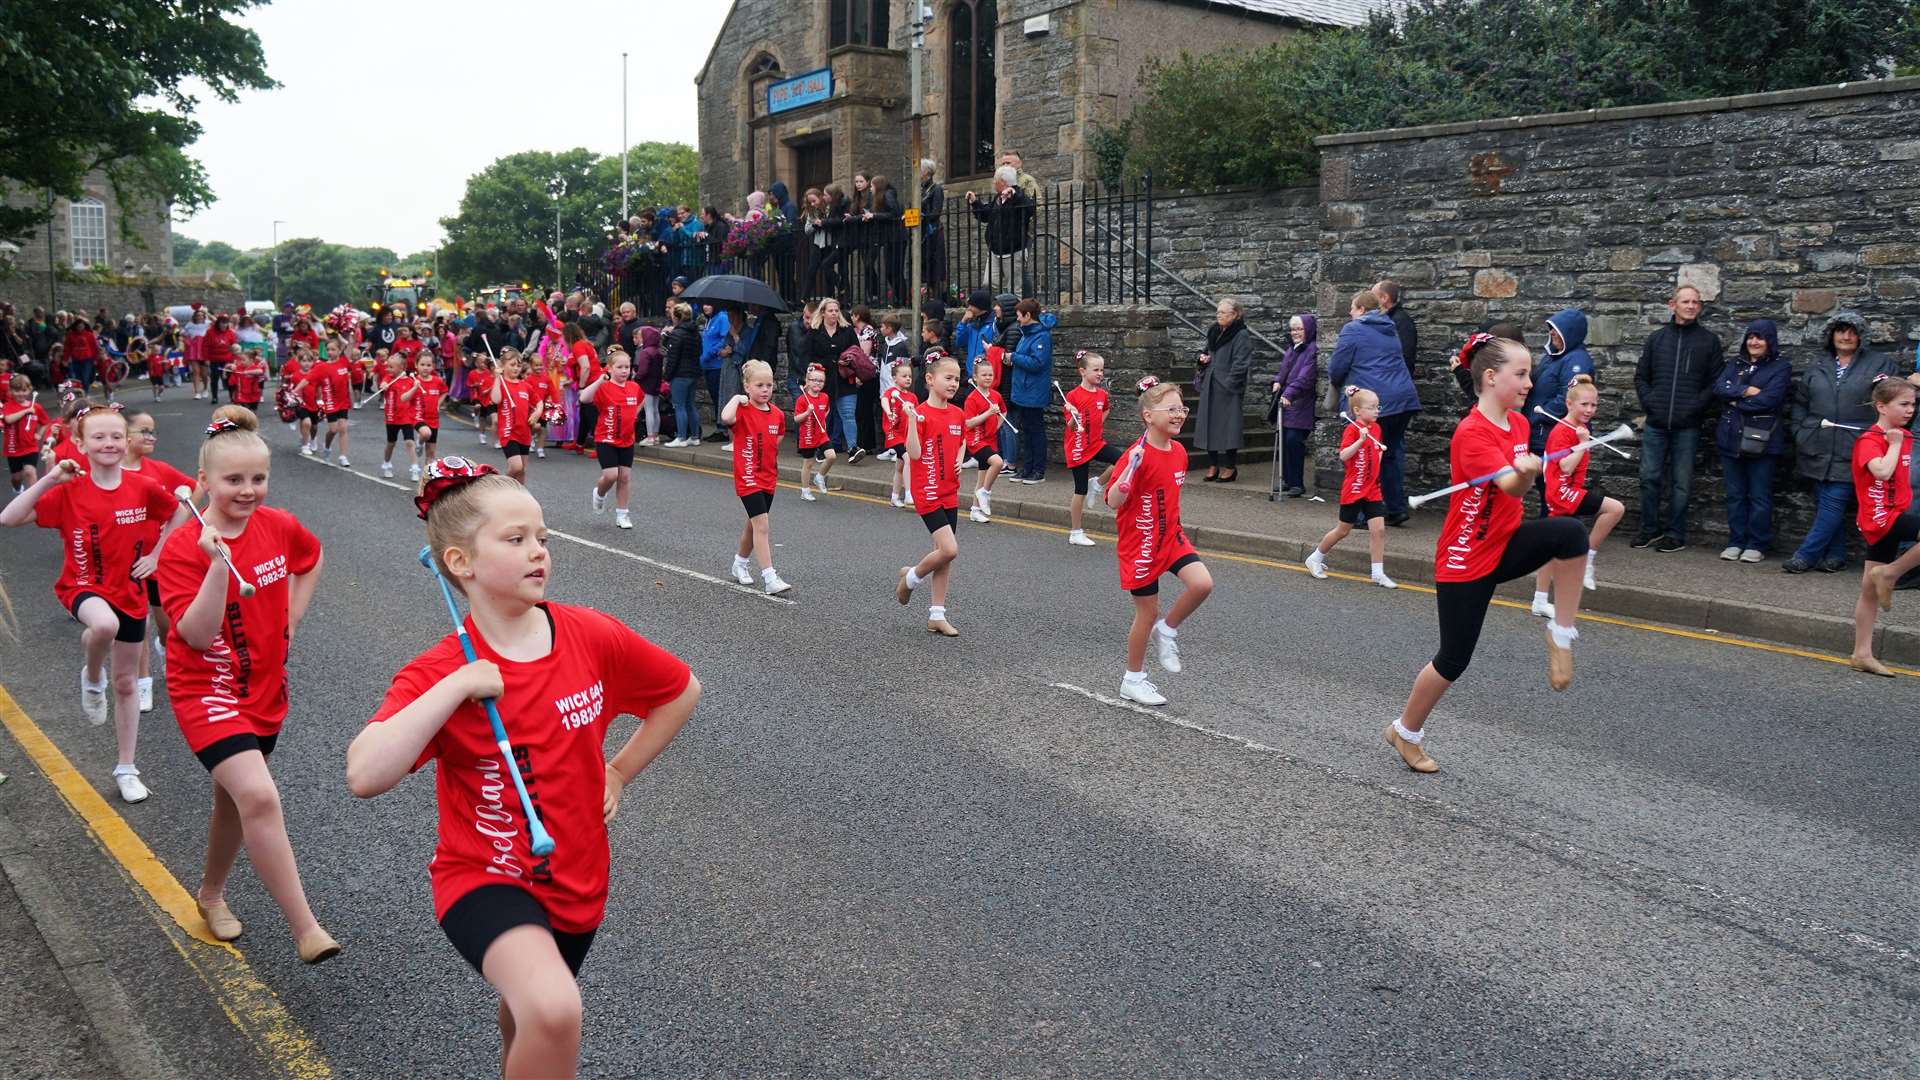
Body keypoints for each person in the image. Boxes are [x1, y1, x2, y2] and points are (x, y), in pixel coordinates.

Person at [347, 461, 700, 1080]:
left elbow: (679, 691)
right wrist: (455, 687)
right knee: (554, 1009)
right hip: (484, 879)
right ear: (461, 562)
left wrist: (617, 772)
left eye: (542, 537)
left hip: (579, 882)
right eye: (515, 540)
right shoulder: (440, 673)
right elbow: (365, 773)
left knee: (527, 1023)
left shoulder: (591, 635)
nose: (538, 552)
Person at [155, 413, 338, 962]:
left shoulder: (279, 525)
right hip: (205, 691)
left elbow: (311, 559)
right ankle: (306, 929)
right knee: (257, 794)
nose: (248, 491)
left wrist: (290, 620)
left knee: (234, 803)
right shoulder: (183, 548)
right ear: (205, 481)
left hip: (263, 689)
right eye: (234, 480)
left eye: (257, 479)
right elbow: (193, 633)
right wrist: (216, 566)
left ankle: (211, 895)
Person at [1386, 335, 1589, 774]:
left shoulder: (1517, 424)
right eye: (1520, 374)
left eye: (1529, 374)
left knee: (1571, 535)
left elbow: (1518, 489)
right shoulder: (1471, 433)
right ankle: (1405, 732)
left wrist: (1539, 464)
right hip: (1467, 558)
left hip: (1506, 540)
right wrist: (1526, 474)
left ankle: (1562, 632)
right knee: (1453, 659)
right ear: (1491, 377)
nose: (1529, 383)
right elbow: (1510, 487)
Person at [0, 401, 181, 801]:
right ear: (80, 444)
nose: (109, 443)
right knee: (103, 626)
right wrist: (49, 480)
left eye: (117, 436)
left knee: (128, 683)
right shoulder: (69, 489)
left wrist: (157, 555)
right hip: (82, 586)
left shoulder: (143, 487)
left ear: (127, 440)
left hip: (131, 592)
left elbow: (178, 512)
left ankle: (127, 767)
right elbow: (9, 518)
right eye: (98, 436)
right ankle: (92, 677)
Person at [1104, 376, 1214, 707]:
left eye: (1182, 407)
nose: (1180, 414)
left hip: (1171, 537)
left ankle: (1168, 630)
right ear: (1149, 415)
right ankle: (1132, 680)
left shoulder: (1179, 451)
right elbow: (1112, 501)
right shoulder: (1136, 455)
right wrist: (1124, 482)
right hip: (1140, 543)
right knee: (1146, 613)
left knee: (1202, 584)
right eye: (1172, 409)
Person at [1784, 310, 1895, 574]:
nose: (1846, 336)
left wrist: (1875, 437)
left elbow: (1889, 401)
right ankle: (1836, 555)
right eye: (1841, 330)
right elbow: (1801, 403)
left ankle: (1806, 555)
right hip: (1817, 444)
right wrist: (1801, 431)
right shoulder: (1818, 366)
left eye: (1853, 331)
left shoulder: (1879, 364)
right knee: (1825, 503)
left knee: (1833, 500)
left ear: (1861, 336)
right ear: (1831, 334)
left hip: (1855, 445)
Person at [1631, 284, 1723, 553]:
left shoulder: (1709, 341)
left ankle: (1675, 533)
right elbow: (1641, 377)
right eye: (1686, 301)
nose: (1691, 306)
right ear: (1673, 305)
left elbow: (1715, 383)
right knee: (1649, 477)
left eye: (1696, 302)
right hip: (1656, 424)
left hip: (1688, 426)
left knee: (1681, 483)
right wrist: (1651, 403)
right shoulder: (1657, 339)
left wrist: (1694, 407)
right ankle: (1650, 529)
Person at [1527, 375, 1625, 615]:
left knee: (1552, 549)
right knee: (1615, 508)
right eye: (1584, 404)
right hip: (1562, 493)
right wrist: (1582, 444)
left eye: (1594, 405)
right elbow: (1566, 467)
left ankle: (1539, 601)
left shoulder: (1579, 429)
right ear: (1569, 404)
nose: (1590, 409)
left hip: (1567, 491)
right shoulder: (1562, 431)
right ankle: (1587, 560)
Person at [120, 407, 193, 714]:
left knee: (165, 624)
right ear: (125, 436)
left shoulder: (158, 470)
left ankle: (165, 649)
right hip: (123, 563)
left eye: (153, 431)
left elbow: (190, 495)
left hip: (157, 562)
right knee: (138, 624)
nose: (151, 436)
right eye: (144, 431)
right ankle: (143, 682)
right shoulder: (108, 470)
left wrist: (160, 550)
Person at [1328, 290, 1421, 524]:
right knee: (1390, 455)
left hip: (1374, 402)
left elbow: (1337, 367)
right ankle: (1396, 508)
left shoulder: (1353, 329)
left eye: (1352, 307)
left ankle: (1362, 514)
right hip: (1403, 399)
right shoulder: (1389, 326)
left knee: (1365, 456)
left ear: (1361, 310)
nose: (1350, 312)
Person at [1848, 377, 1920, 676]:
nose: (1910, 410)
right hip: (1880, 517)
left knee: (1869, 590)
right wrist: (1893, 444)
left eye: (1913, 404)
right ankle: (1890, 573)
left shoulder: (1902, 434)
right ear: (1881, 406)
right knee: (1877, 580)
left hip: (1890, 513)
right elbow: (1882, 471)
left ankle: (1861, 653)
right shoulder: (1870, 440)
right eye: (1903, 404)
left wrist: (1898, 439)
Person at [896, 355, 966, 636]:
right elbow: (913, 453)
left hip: (950, 490)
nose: (953, 384)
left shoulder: (958, 414)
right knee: (950, 549)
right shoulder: (920, 413)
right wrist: (912, 421)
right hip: (927, 492)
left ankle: (937, 615)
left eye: (957, 379)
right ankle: (911, 579)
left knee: (944, 556)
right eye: (948, 378)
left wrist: (961, 457)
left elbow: (961, 440)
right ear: (929, 379)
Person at [1712, 319, 1792, 563]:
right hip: (1730, 439)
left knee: (1759, 495)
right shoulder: (1735, 364)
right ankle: (1736, 541)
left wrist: (1735, 397)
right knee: (1735, 495)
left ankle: (1756, 543)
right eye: (1750, 337)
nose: (1754, 342)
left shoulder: (1780, 367)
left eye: (1760, 338)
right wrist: (1746, 391)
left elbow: (1770, 400)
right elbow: (1719, 388)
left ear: (1770, 341)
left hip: (1762, 442)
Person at [1304, 388, 1397, 589]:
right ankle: (1315, 557)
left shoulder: (1377, 428)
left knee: (1379, 530)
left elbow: (1377, 452)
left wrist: (1378, 455)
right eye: (1371, 408)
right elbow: (1344, 455)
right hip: (1354, 489)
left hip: (1372, 488)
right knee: (1343, 530)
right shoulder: (1352, 430)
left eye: (1377, 407)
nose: (1376, 411)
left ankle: (1378, 573)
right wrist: (1361, 440)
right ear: (1357, 411)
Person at [721, 360, 793, 595]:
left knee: (753, 526)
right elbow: (725, 417)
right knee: (762, 525)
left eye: (769, 385)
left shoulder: (778, 415)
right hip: (748, 476)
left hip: (768, 477)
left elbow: (777, 438)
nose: (765, 390)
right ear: (747, 387)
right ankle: (769, 577)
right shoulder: (742, 410)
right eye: (759, 385)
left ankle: (739, 564)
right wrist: (735, 399)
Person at [1523, 309, 1595, 510]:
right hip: (1541, 434)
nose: (1552, 334)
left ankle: (1557, 534)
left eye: (1556, 330)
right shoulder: (1553, 357)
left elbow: (1568, 398)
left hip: (1554, 435)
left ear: (1570, 332)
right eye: (1551, 329)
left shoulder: (1577, 361)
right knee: (1547, 490)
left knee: (1555, 492)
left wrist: (1534, 418)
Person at [1063, 350, 1122, 546]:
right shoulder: (1072, 396)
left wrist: (1095, 426)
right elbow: (1070, 426)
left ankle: (1097, 484)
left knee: (1122, 460)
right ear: (1082, 371)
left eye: (1102, 370)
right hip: (1078, 447)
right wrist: (1074, 416)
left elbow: (1105, 409)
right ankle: (1075, 532)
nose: (1100, 374)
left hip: (1095, 444)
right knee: (1080, 490)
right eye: (1095, 370)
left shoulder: (1102, 394)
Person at [581, 348, 643, 530]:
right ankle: (599, 493)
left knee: (624, 477)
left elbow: (641, 400)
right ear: (609, 368)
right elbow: (584, 398)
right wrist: (600, 380)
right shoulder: (604, 388)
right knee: (611, 475)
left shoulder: (634, 387)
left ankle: (622, 514)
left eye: (627, 367)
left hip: (627, 440)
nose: (624, 371)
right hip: (606, 439)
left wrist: (633, 416)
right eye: (620, 367)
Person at [1194, 298, 1254, 483]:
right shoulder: (1214, 331)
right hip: (1210, 385)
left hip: (1228, 388)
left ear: (1235, 315)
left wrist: (1230, 383)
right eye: (1218, 312)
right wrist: (1202, 359)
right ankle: (1213, 464)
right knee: (1208, 425)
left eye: (1223, 312)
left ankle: (1229, 466)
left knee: (1229, 428)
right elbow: (1206, 352)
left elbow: (1241, 363)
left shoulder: (1241, 334)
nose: (1219, 315)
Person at [1270, 314, 1319, 498]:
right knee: (1283, 440)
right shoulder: (1293, 349)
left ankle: (1296, 483)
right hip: (1287, 403)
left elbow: (1306, 377)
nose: (1295, 333)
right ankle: (1287, 480)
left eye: (1299, 329)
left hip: (1300, 403)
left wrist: (1289, 393)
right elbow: (1284, 370)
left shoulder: (1312, 350)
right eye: (1293, 329)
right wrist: (1277, 381)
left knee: (1293, 441)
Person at [1007, 299, 1055, 484]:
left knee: (1035, 430)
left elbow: (1037, 363)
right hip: (1024, 390)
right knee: (1026, 430)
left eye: (1019, 315)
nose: (1018, 319)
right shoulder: (1027, 334)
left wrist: (1014, 357)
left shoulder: (1041, 336)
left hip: (1033, 391)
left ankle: (1038, 470)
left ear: (1028, 315)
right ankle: (1027, 468)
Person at [968, 166, 1033, 298]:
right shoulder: (998, 198)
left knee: (1014, 289)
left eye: (995, 180)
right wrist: (975, 203)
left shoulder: (1020, 195)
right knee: (988, 284)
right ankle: (992, 314)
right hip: (995, 250)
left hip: (1014, 251)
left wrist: (1014, 196)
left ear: (1003, 182)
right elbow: (987, 215)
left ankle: (1015, 317)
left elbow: (1029, 208)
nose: (993, 183)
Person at [961, 359, 1009, 523]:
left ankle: (975, 510)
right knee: (998, 462)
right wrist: (988, 414)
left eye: (990, 374)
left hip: (990, 440)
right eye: (984, 375)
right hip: (976, 441)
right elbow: (968, 422)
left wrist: (996, 425)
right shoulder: (972, 399)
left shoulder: (996, 395)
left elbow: (1004, 411)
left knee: (982, 477)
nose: (988, 377)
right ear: (975, 377)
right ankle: (985, 492)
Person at [793, 363, 837, 502]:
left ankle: (820, 477)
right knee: (808, 464)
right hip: (807, 435)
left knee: (831, 456)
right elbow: (796, 419)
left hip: (821, 434)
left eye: (821, 381)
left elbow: (826, 410)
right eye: (814, 380)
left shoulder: (824, 397)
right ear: (807, 381)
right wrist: (807, 412)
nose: (818, 383)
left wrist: (823, 418)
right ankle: (805, 491)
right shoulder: (802, 399)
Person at [492, 351, 537, 483]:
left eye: (518, 365)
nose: (516, 368)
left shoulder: (525, 386)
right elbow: (495, 399)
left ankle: (519, 498)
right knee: (516, 467)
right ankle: (502, 485)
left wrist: (537, 413)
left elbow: (538, 402)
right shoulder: (501, 384)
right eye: (512, 365)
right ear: (503, 366)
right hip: (509, 432)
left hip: (524, 432)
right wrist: (496, 378)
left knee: (522, 471)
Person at [662, 302, 703, 447]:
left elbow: (673, 358)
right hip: (693, 372)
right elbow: (699, 352)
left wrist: (667, 376)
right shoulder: (695, 332)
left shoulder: (677, 333)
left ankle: (681, 438)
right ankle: (695, 436)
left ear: (677, 317)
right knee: (690, 404)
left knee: (679, 406)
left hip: (680, 374)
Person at [4, 373, 51, 491]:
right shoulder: (8, 405)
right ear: (10, 391)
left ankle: (33, 500)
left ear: (30, 390)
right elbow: (8, 419)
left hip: (30, 447)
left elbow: (45, 422)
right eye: (17, 390)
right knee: (17, 478)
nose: (21, 393)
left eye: (24, 390)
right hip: (13, 449)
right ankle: (18, 489)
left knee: (30, 472)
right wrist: (25, 412)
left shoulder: (36, 407)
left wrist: (39, 434)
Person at [378, 354, 420, 481]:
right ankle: (386, 464)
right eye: (387, 367)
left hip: (406, 417)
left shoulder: (410, 381)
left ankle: (414, 468)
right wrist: (383, 385)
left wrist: (415, 387)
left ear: (402, 367)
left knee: (409, 442)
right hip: (391, 416)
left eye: (391, 367)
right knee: (391, 443)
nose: (388, 369)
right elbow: (383, 383)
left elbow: (410, 398)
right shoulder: (389, 378)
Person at [882, 361, 915, 508]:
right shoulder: (891, 392)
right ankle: (909, 493)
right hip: (893, 432)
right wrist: (889, 412)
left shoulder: (912, 397)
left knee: (900, 466)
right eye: (904, 376)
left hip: (906, 434)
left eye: (910, 376)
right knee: (908, 458)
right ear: (895, 378)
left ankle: (895, 497)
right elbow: (884, 400)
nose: (908, 378)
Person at [1374, 279, 1418, 379]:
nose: (1371, 301)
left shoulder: (1401, 322)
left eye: (1373, 297)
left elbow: (1405, 357)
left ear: (1384, 298)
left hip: (1392, 382)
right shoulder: (1384, 319)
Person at [412, 352, 448, 473]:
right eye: (422, 364)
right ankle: (419, 442)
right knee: (425, 433)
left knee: (431, 453)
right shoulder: (414, 381)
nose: (425, 367)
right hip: (418, 417)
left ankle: (427, 477)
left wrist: (438, 403)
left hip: (433, 419)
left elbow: (444, 392)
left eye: (428, 365)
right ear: (416, 365)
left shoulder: (437, 381)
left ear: (433, 366)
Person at [920, 159, 947, 300]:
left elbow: (936, 212)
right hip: (922, 233)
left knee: (935, 265)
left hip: (934, 232)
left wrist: (923, 216)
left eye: (920, 170)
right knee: (924, 265)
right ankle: (927, 297)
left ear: (926, 173)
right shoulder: (920, 189)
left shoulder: (936, 189)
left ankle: (937, 298)